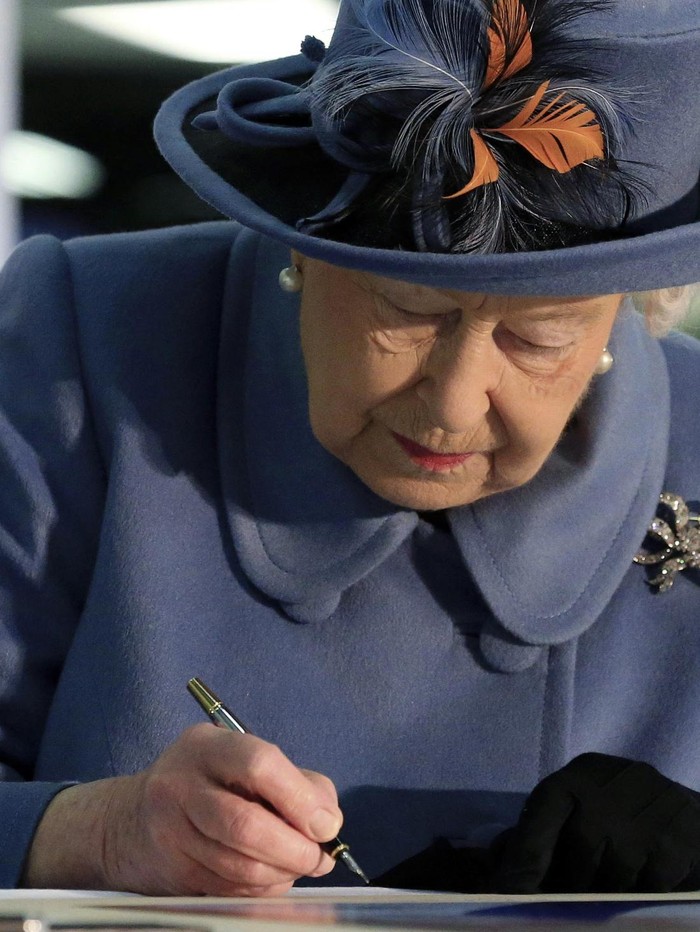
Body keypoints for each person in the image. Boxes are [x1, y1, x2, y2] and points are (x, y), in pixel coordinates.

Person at [1, 0, 700, 897]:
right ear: (303, 246)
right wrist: (87, 834)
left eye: (538, 338)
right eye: (406, 312)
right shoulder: (88, 348)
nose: (451, 407)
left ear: (621, 309)